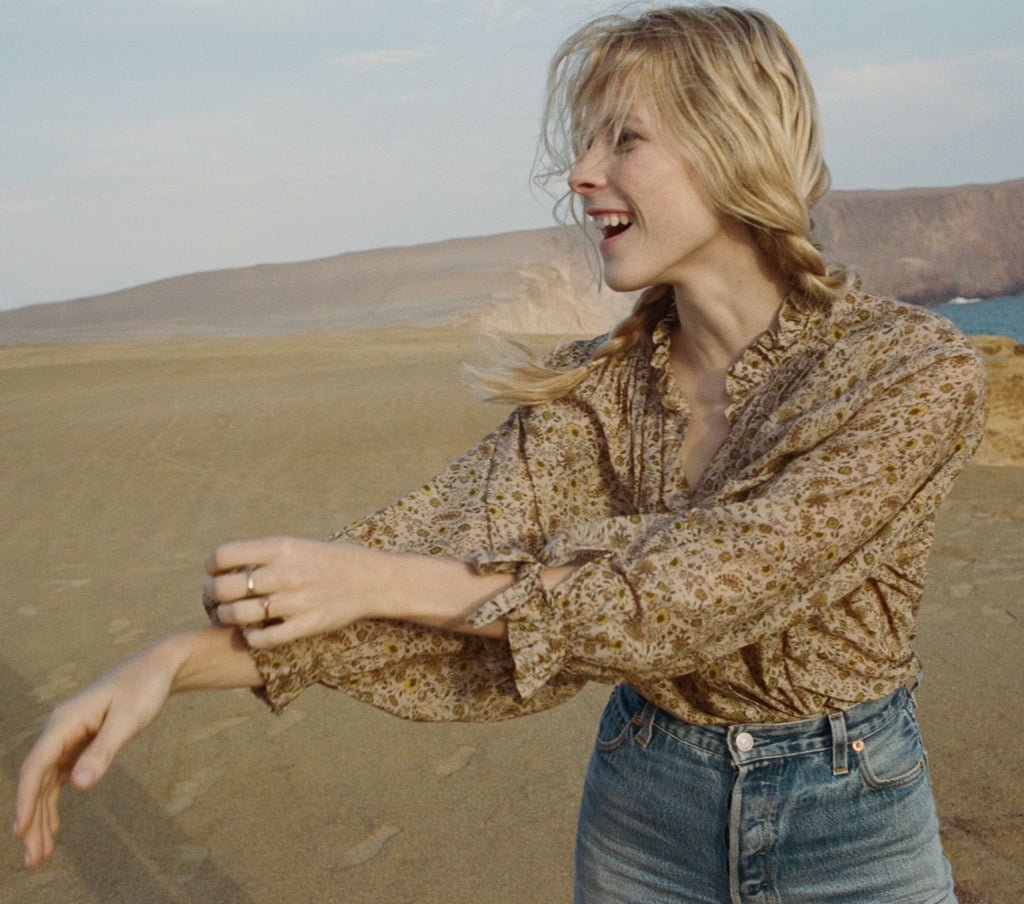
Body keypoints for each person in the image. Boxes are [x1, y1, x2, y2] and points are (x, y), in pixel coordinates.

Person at [14, 6, 984, 902]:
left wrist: (377, 577)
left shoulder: (908, 370)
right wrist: (170, 662)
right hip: (644, 820)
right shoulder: (593, 396)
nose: (580, 174)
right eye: (584, 142)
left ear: (736, 144)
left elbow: (691, 592)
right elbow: (420, 579)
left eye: (624, 139)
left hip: (853, 825)